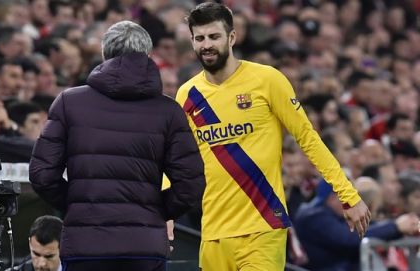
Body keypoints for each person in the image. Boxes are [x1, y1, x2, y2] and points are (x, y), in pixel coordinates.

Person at [175, 3, 370, 271]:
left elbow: (307, 138)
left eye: (214, 36)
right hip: (213, 233)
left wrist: (348, 194)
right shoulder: (188, 94)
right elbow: (178, 157)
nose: (206, 45)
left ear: (231, 38)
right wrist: (166, 211)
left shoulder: (267, 80)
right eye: (200, 38)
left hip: (263, 226)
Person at [29, 21, 205, 271]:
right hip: (144, 247)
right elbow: (191, 182)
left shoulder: (69, 102)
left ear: (104, 55)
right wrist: (155, 210)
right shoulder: (169, 111)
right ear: (147, 56)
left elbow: (42, 174)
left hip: (86, 246)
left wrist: (81, 204)